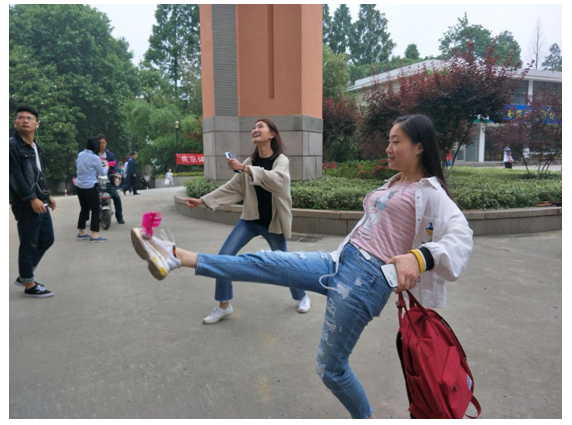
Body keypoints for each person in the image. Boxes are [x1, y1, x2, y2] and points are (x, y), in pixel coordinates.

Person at [130, 114, 474, 418]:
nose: (388, 148)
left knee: (330, 369)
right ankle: (175, 256)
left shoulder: (431, 192)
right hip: (339, 261)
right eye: (388, 140)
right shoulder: (395, 183)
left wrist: (420, 257)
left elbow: (461, 236)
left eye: (395, 141)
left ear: (418, 147)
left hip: (365, 281)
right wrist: (208, 200)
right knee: (264, 262)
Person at [184, 118, 310, 324]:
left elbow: (278, 182)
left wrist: (245, 168)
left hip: (273, 223)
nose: (255, 129)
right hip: (250, 221)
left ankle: (301, 296)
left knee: (285, 263)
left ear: (272, 134)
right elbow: (232, 188)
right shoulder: (249, 163)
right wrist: (203, 201)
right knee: (224, 257)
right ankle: (224, 304)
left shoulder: (281, 161)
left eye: (260, 126)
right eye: (254, 127)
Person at [9, 105, 56, 298]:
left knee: (47, 238)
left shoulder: (36, 147)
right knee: (29, 243)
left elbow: (39, 174)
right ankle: (29, 284)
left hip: (39, 200)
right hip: (25, 203)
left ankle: (25, 275)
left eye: (30, 118)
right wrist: (31, 198)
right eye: (21, 117)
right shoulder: (11, 146)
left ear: (37, 124)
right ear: (15, 122)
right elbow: (14, 176)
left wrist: (46, 195)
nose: (25, 120)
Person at [76, 136, 109, 242]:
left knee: (84, 208)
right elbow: (102, 173)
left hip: (79, 186)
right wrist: (106, 166)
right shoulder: (95, 158)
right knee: (95, 210)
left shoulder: (80, 154)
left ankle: (81, 232)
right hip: (90, 186)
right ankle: (94, 235)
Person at [97, 134, 125, 223]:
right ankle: (91, 216)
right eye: (100, 143)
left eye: (103, 142)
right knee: (91, 198)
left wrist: (116, 173)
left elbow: (115, 165)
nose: (102, 144)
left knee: (116, 197)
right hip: (96, 182)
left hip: (108, 181)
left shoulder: (110, 154)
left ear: (106, 143)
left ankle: (119, 217)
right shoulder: (94, 155)